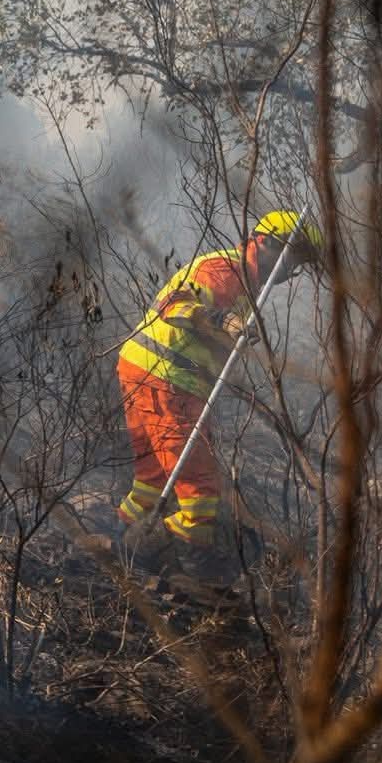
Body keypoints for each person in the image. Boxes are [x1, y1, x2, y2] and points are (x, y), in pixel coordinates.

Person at [116, 210, 324, 572]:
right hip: (164, 375)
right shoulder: (225, 271)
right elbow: (174, 305)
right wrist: (221, 320)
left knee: (155, 475)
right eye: (289, 258)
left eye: (297, 263)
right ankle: (189, 565)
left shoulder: (245, 286)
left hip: (157, 373)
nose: (289, 271)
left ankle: (124, 540)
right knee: (200, 486)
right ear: (265, 243)